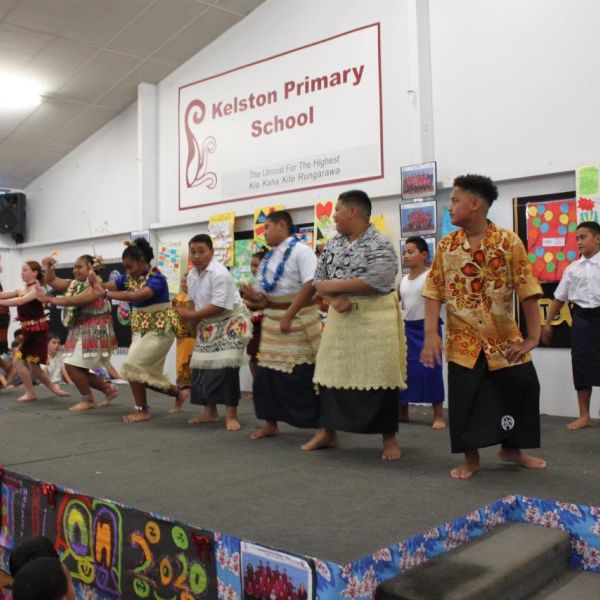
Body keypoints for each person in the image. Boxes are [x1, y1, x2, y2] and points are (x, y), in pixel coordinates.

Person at [421, 174, 547, 479]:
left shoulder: (508, 241)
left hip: (503, 338)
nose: (450, 206)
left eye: (454, 200)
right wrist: (429, 335)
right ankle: (471, 459)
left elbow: (527, 288)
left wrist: (533, 336)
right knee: (466, 400)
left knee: (522, 390)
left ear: (475, 204)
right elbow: (434, 290)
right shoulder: (447, 245)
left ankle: (512, 449)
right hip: (462, 341)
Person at [302, 190, 407, 460]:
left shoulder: (379, 242)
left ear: (353, 212)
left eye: (337, 210)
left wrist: (333, 286)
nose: (333, 215)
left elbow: (380, 278)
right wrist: (332, 297)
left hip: (375, 318)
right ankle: (327, 431)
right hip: (341, 321)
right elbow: (318, 280)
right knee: (328, 374)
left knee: (381, 377)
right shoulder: (333, 244)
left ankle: (389, 439)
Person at [240, 211, 321, 441]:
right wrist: (252, 295)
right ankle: (270, 423)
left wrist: (289, 315)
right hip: (273, 322)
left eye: (266, 227)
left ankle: (323, 429)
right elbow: (264, 299)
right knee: (267, 377)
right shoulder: (267, 259)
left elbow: (311, 284)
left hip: (297, 320)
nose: (263, 232)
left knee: (301, 376)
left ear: (282, 225)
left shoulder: (302, 251)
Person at [91, 238, 183, 423]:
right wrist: (95, 281)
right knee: (142, 373)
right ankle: (178, 393)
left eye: (130, 266)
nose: (128, 271)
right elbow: (106, 287)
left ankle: (142, 410)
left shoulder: (156, 278)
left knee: (133, 366)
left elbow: (136, 295)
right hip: (140, 328)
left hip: (161, 328)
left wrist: (106, 294)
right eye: (126, 267)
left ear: (142, 262)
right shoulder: (129, 278)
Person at [174, 234, 251, 431]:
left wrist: (192, 316)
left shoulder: (219, 273)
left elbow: (219, 305)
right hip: (208, 322)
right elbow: (192, 300)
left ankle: (231, 416)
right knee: (202, 367)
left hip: (230, 320)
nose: (197, 256)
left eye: (201, 251)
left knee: (226, 367)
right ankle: (210, 412)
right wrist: (192, 319)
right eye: (193, 252)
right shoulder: (191, 275)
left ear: (211, 252)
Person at [541, 220, 600, 430]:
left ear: (597, 238)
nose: (578, 242)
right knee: (581, 364)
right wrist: (548, 323)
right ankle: (584, 416)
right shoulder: (572, 268)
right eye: (576, 238)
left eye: (583, 237)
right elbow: (559, 298)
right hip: (583, 319)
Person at [40, 255, 119, 411]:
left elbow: (77, 301)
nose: (75, 270)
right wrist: (48, 267)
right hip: (79, 329)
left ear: (90, 267)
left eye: (80, 267)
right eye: (74, 267)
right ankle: (109, 390)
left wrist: (50, 300)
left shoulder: (96, 286)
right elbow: (51, 280)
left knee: (71, 366)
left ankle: (87, 399)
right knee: (78, 368)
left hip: (95, 330)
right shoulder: (73, 284)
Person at [0, 262, 69, 402]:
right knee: (35, 367)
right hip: (29, 333)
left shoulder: (38, 289)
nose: (21, 272)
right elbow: (4, 295)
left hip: (37, 333)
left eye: (25, 270)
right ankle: (53, 388)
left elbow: (20, 301)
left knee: (18, 362)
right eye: (21, 270)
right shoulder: (22, 288)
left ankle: (31, 392)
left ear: (35, 273)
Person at [398, 236, 445, 429]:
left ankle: (438, 416)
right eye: (405, 252)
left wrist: (431, 330)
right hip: (408, 330)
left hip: (429, 329)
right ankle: (402, 412)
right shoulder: (402, 280)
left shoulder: (430, 277)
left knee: (432, 371)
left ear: (424, 255)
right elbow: (396, 303)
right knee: (406, 371)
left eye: (411, 252)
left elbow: (440, 299)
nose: (406, 256)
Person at [170, 274, 194, 413]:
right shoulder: (177, 299)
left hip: (195, 337)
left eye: (188, 281)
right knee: (181, 366)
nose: (184, 284)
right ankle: (178, 402)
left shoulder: (197, 298)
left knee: (195, 370)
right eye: (183, 281)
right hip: (182, 339)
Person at [243, 248, 267, 379]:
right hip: (252, 326)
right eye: (251, 265)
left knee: (262, 358)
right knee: (252, 358)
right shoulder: (251, 284)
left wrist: (246, 302)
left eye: (256, 265)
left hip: (264, 325)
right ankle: (256, 386)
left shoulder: (269, 285)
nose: (253, 268)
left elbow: (265, 304)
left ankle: (264, 388)